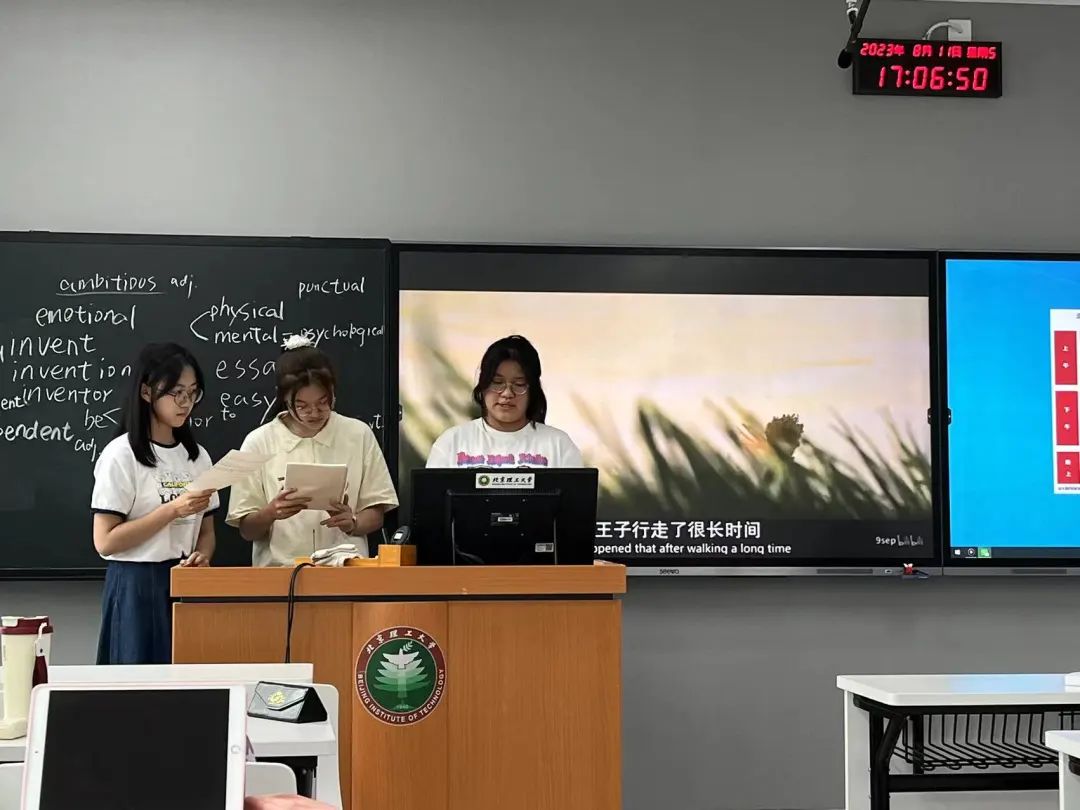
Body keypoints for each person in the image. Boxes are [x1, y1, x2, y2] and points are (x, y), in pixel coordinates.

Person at [91, 343, 217, 665]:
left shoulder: (197, 457)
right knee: (136, 682)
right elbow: (105, 541)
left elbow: (206, 531)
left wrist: (202, 556)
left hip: (184, 581)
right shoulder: (122, 455)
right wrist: (173, 510)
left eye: (193, 393)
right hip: (135, 585)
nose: (186, 402)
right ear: (147, 392)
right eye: (176, 393)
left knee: (185, 679)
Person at [228, 335, 398, 566]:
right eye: (302, 406)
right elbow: (246, 530)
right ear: (284, 398)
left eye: (323, 402)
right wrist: (272, 512)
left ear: (333, 392)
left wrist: (353, 522)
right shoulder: (257, 442)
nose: (314, 413)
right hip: (281, 572)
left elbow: (377, 511)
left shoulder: (358, 435)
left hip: (346, 568)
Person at [427, 335, 583, 469]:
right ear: (483, 385)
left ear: (533, 390)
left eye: (519, 384)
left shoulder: (559, 446)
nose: (507, 393)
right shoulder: (451, 443)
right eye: (497, 382)